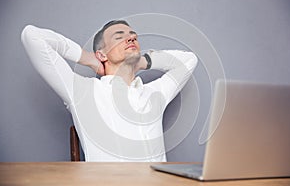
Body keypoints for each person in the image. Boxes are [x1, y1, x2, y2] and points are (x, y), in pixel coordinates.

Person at [21, 20, 198, 162]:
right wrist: (88, 59)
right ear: (102, 54)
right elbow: (32, 36)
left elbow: (189, 60)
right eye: (119, 37)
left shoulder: (155, 92)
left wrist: (141, 61)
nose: (131, 38)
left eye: (133, 36)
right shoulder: (82, 91)